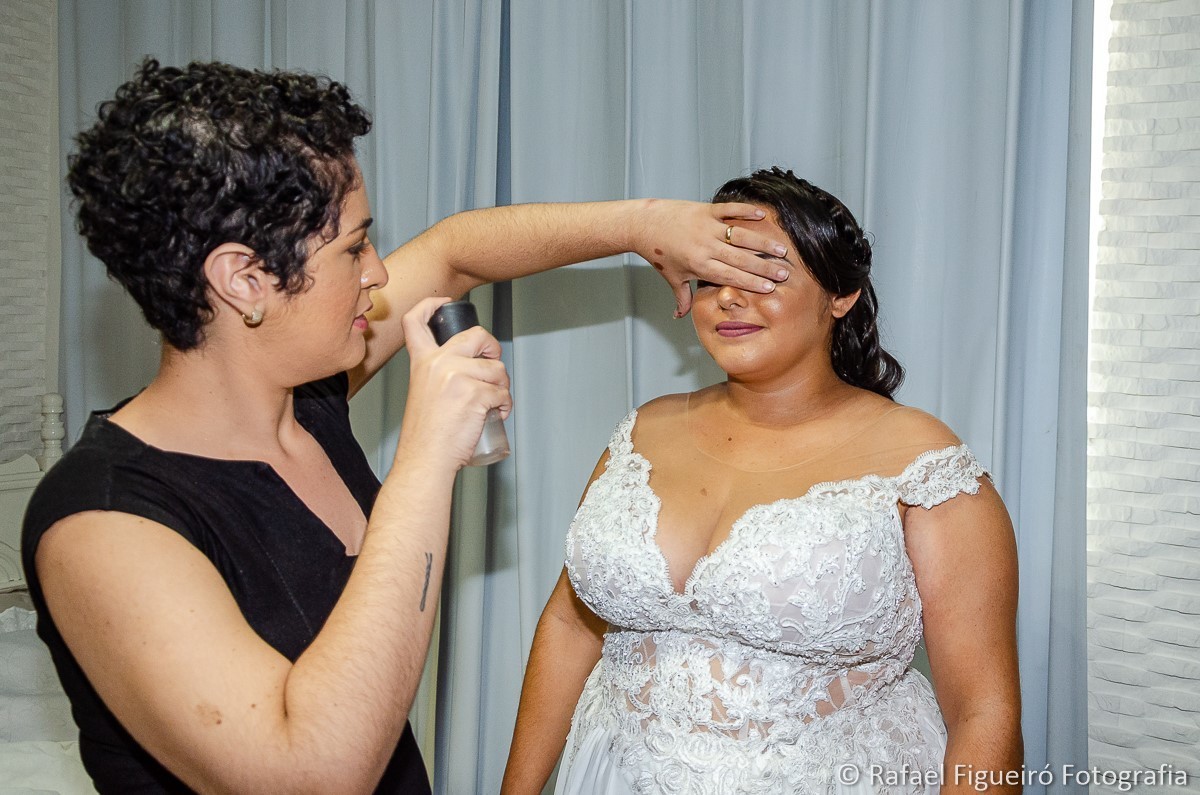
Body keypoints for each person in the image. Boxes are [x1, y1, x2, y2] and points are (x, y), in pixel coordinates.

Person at [20, 59, 793, 794]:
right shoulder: (102, 520)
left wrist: (647, 223)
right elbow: (318, 773)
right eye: (354, 247)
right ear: (243, 279)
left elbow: (456, 252)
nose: (380, 272)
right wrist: (427, 453)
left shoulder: (307, 400)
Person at [502, 168, 1023, 794]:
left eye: (763, 272)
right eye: (712, 275)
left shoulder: (922, 465)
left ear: (841, 294)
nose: (729, 296)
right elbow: (570, 624)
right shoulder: (643, 431)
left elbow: (984, 711)